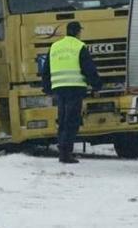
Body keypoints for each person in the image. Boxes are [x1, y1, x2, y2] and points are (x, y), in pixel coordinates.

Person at [41, 21, 102, 163]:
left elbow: (46, 70)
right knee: (72, 121)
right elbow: (89, 68)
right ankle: (66, 153)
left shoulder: (55, 46)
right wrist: (97, 85)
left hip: (59, 89)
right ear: (78, 32)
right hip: (74, 88)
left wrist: (47, 87)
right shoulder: (79, 46)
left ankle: (62, 150)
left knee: (62, 120)